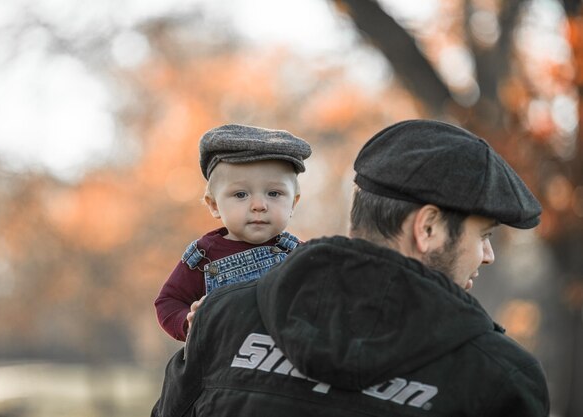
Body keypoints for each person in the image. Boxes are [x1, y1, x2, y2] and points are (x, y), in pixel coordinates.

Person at [151, 119, 550, 416]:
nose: (487, 255)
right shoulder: (499, 378)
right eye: (484, 236)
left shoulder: (220, 320)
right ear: (427, 228)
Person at [154, 123, 312, 341]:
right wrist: (188, 322)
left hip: (284, 370)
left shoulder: (302, 256)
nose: (259, 205)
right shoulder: (204, 255)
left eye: (274, 193)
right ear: (214, 205)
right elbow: (168, 301)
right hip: (223, 371)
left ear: (293, 203)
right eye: (240, 195)